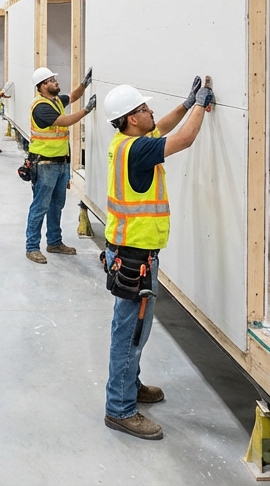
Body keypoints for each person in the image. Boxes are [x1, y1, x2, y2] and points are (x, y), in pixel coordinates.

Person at [101, 77, 213, 440]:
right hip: (135, 259)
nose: (151, 112)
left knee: (135, 330)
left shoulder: (126, 143)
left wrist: (185, 104)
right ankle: (119, 409)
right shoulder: (138, 150)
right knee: (129, 333)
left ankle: (129, 387)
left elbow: (163, 128)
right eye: (145, 109)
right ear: (133, 118)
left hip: (129, 254)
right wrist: (201, 106)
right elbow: (183, 139)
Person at [23, 66, 93, 263]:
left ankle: (54, 242)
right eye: (52, 80)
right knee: (40, 206)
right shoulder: (41, 107)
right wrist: (87, 110)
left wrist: (84, 84)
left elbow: (71, 96)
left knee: (56, 206)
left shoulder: (55, 101)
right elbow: (64, 121)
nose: (56, 82)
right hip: (44, 165)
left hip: (60, 163)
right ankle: (32, 247)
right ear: (43, 85)